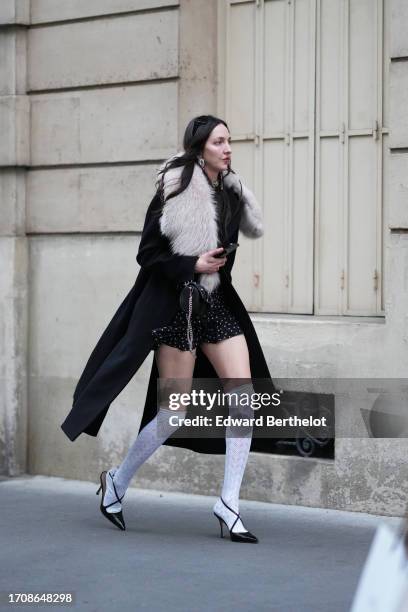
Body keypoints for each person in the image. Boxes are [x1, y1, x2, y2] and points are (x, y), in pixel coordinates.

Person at [61, 114, 276, 543]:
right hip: (177, 306)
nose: (228, 148)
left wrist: (216, 261)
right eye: (219, 142)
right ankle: (117, 483)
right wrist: (191, 264)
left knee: (245, 395)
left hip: (215, 303)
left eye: (229, 141)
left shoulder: (230, 192)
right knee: (174, 411)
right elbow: (147, 254)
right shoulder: (173, 189)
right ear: (200, 148)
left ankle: (229, 503)